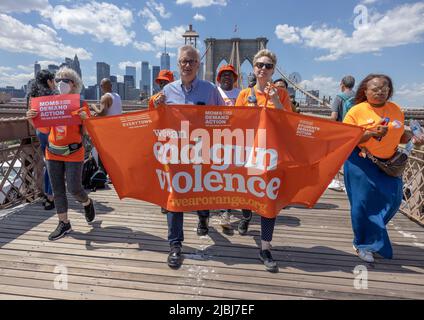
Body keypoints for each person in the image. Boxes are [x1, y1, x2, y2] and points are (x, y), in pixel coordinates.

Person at [154, 45, 225, 269]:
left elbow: (224, 118)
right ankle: (175, 245)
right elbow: (156, 122)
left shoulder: (210, 90)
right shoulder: (167, 92)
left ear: (198, 65)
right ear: (178, 64)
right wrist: (155, 107)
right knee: (175, 197)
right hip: (175, 153)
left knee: (201, 190)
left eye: (192, 61)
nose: (187, 65)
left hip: (201, 151)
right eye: (184, 61)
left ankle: (203, 217)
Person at [343, 74, 424, 263]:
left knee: (394, 199)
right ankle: (362, 243)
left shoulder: (395, 110)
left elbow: (400, 135)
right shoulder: (356, 111)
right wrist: (370, 134)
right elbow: (346, 137)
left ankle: (372, 233)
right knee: (362, 204)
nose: (380, 92)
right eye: (375, 89)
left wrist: (414, 138)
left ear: (389, 91)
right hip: (361, 161)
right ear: (365, 91)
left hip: (388, 163)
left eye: (384, 89)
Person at [235, 49, 293, 272]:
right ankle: (247, 215)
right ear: (253, 68)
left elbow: (288, 122)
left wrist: (277, 100)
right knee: (247, 195)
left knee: (269, 201)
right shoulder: (243, 95)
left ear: (273, 70)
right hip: (249, 154)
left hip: (271, 155)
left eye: (268, 66)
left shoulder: (282, 94)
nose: (263, 69)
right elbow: (235, 123)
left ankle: (265, 247)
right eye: (259, 64)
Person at [26, 67, 96, 241]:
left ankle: (87, 202)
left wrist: (86, 119)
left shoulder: (80, 104)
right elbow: (42, 129)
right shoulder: (50, 103)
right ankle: (64, 223)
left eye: (66, 80)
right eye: (58, 80)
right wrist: (32, 118)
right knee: (58, 190)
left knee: (74, 187)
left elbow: (87, 132)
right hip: (53, 151)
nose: (61, 84)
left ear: (74, 84)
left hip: (74, 151)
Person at [215, 64, 241, 229]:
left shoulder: (242, 94)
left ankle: (226, 211)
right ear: (219, 78)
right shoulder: (214, 92)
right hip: (216, 140)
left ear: (234, 78)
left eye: (230, 74)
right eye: (223, 74)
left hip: (236, 140)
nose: (226, 77)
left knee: (230, 176)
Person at [27, 70, 56, 210]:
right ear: (49, 81)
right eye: (54, 80)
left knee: (47, 163)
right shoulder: (52, 96)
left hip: (40, 132)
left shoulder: (32, 96)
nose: (55, 83)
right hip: (52, 133)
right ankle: (50, 197)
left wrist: (38, 129)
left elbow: (30, 117)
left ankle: (46, 194)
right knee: (53, 165)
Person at [90, 78, 122, 173]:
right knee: (114, 153)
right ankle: (114, 173)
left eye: (101, 85)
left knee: (103, 152)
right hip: (117, 127)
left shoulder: (105, 97)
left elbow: (102, 113)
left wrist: (93, 107)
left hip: (107, 129)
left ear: (103, 86)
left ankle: (103, 173)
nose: (100, 87)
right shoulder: (117, 96)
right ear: (111, 86)